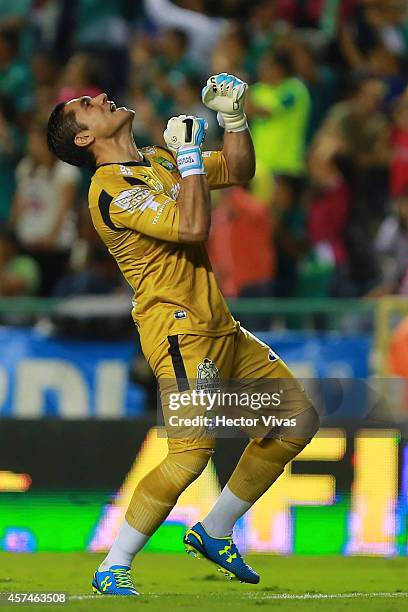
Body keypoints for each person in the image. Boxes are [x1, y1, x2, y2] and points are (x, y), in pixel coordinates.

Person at [47, 72, 318, 596]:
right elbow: (192, 227)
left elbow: (239, 169)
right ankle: (113, 565)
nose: (101, 95)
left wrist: (233, 119)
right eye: (86, 104)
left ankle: (215, 531)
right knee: (190, 453)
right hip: (178, 329)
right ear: (85, 138)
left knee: (294, 421)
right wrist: (191, 156)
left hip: (219, 323)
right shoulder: (110, 190)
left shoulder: (156, 160)